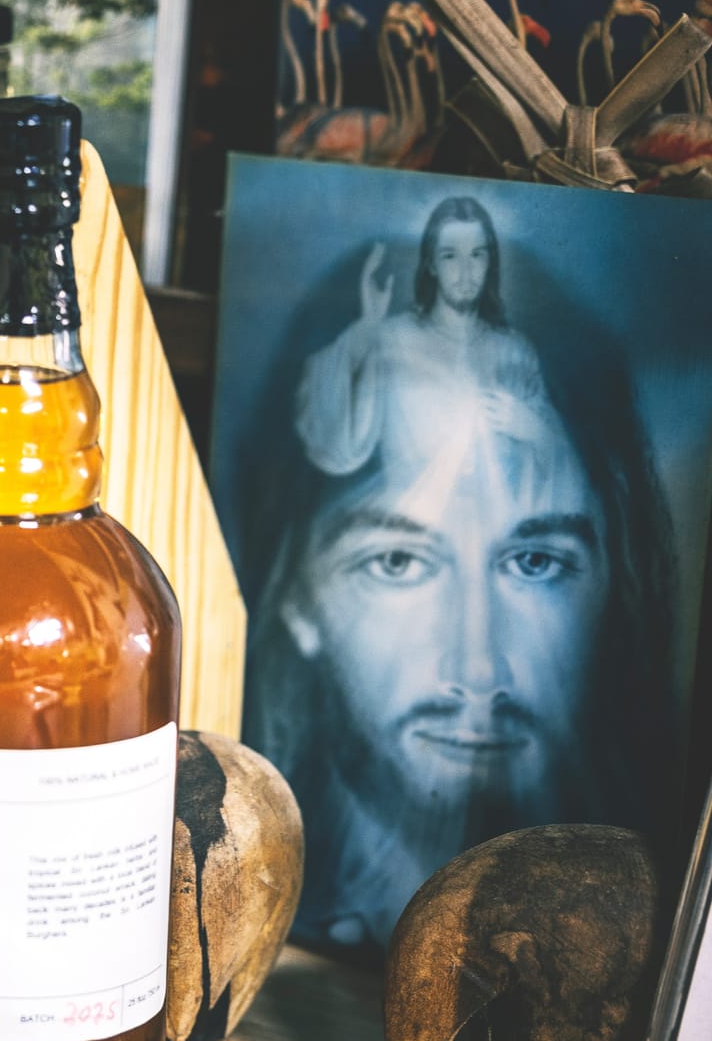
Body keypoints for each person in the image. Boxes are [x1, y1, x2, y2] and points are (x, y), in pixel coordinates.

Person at [240, 196, 678, 952]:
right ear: (299, 593)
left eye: (535, 562)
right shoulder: (380, 350)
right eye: (399, 561)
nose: (478, 670)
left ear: (615, 584)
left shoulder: (517, 358)